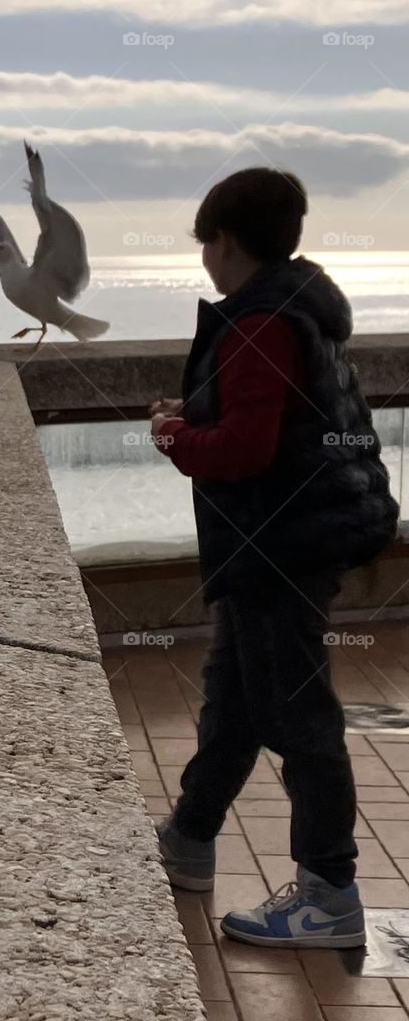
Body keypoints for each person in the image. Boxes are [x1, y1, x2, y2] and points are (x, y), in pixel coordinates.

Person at [150, 166, 398, 949]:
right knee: (235, 699)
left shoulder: (260, 322)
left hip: (280, 546)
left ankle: (329, 895)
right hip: (294, 536)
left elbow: (246, 450)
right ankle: (188, 839)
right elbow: (287, 417)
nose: (205, 261)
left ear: (225, 241)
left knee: (298, 716)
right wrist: (198, 411)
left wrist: (174, 436)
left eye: (205, 245)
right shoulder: (299, 309)